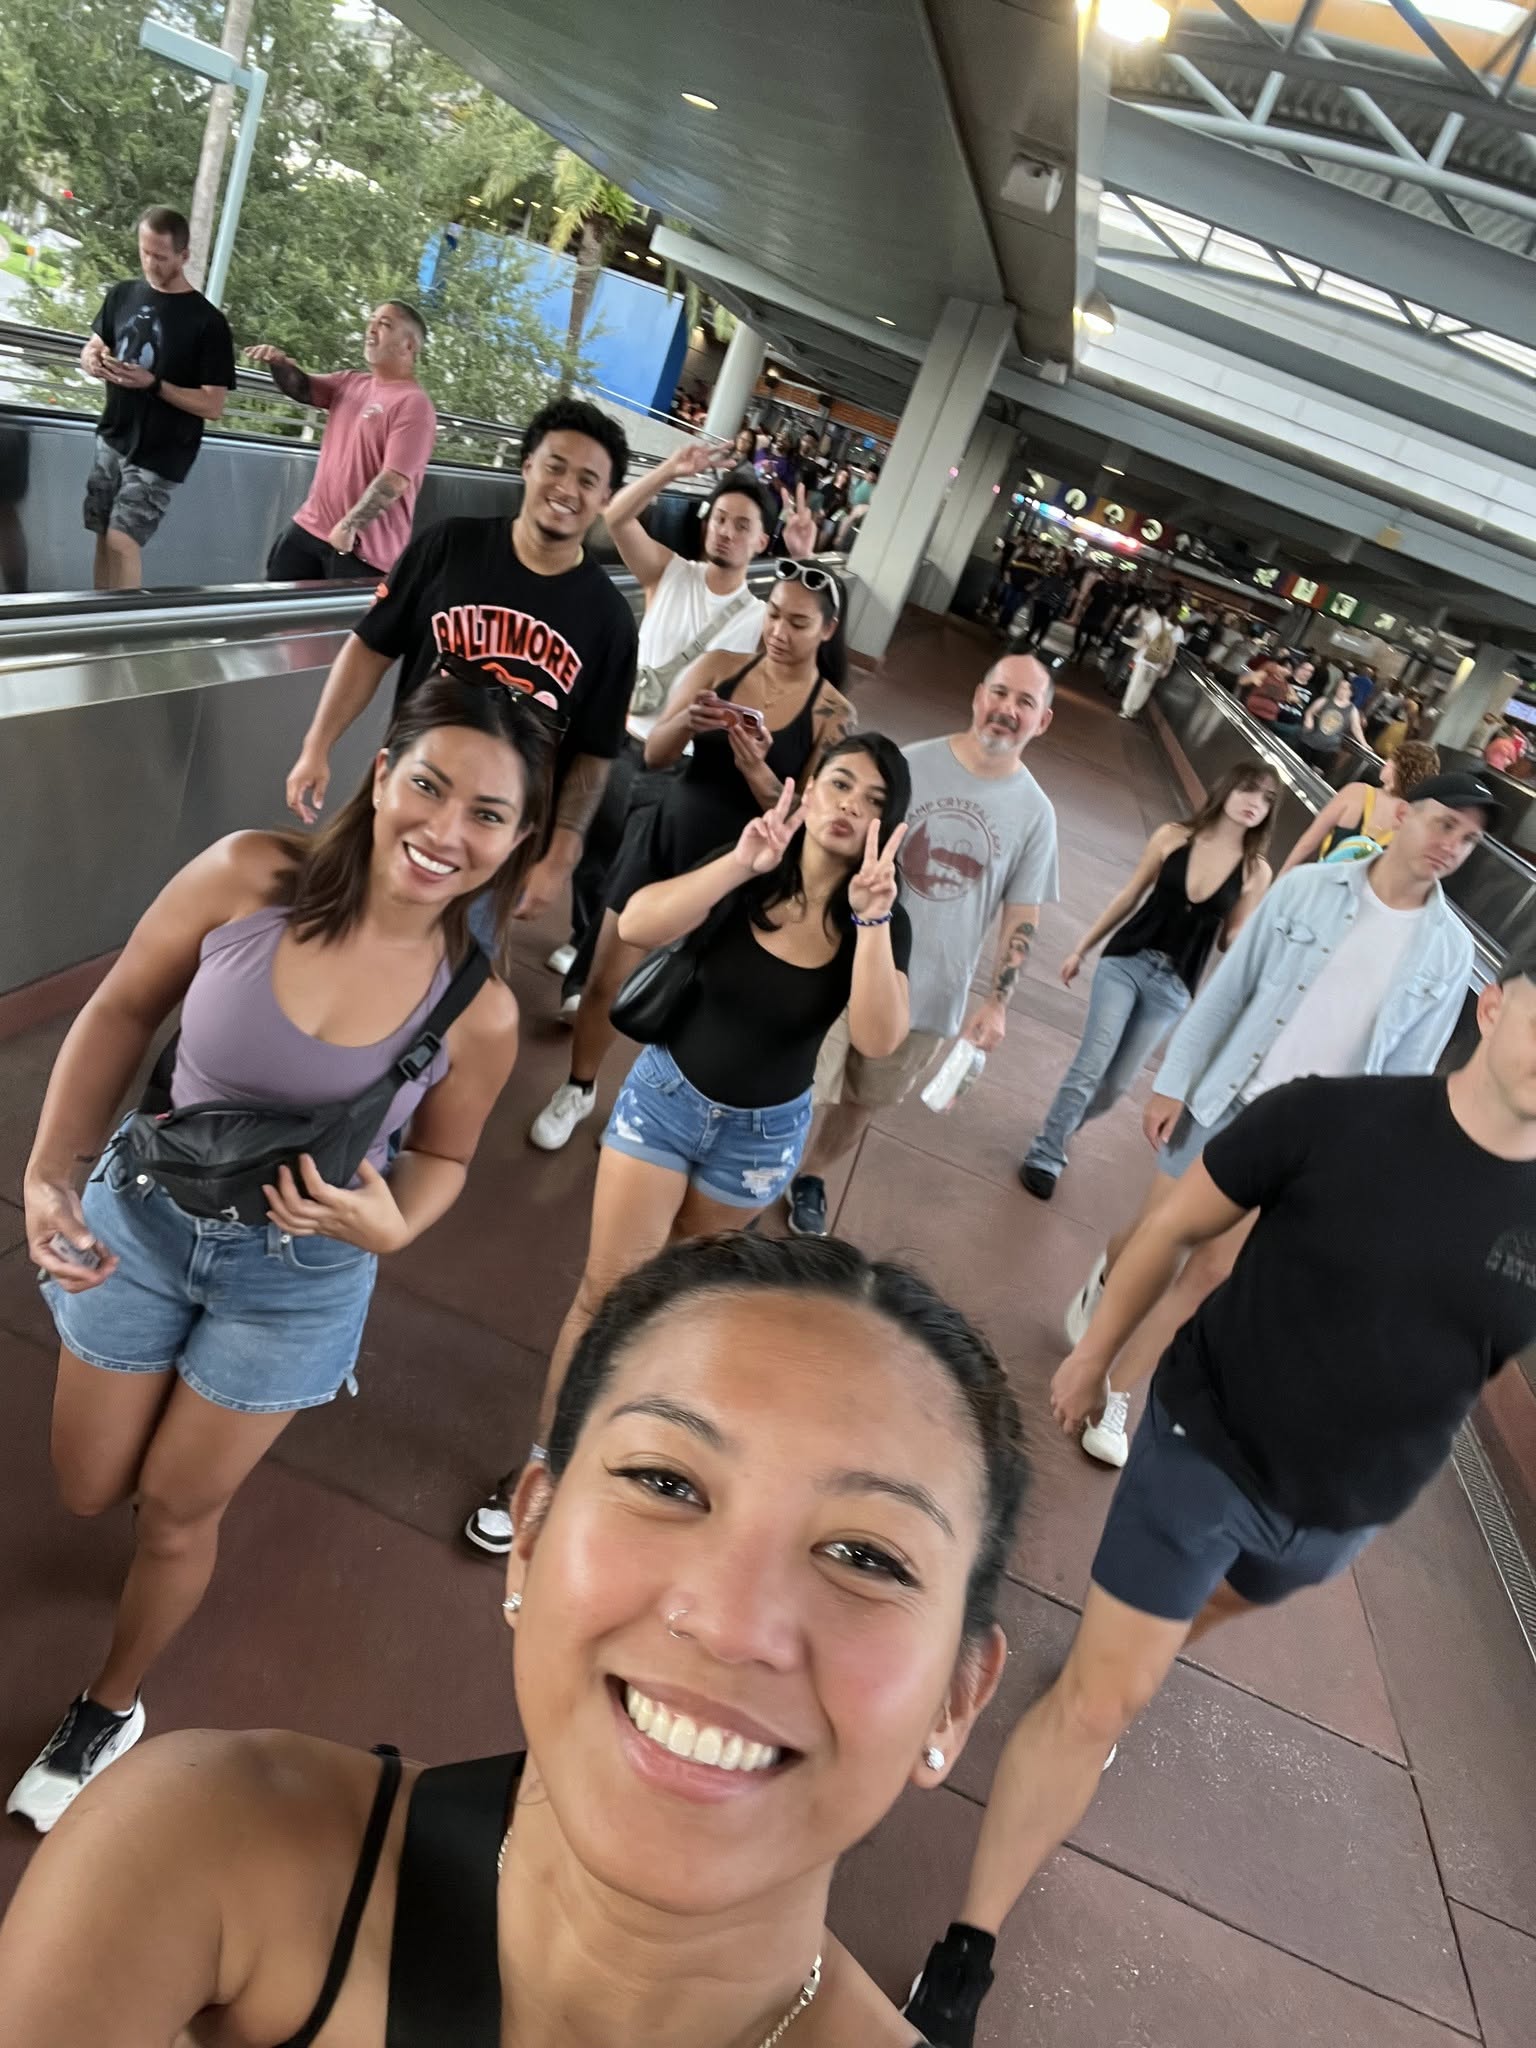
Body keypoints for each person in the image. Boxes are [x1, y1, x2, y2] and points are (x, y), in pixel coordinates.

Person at [0, 1234, 1028, 2048]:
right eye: (667, 1482)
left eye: (865, 1554)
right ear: (529, 1537)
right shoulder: (202, 1848)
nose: (731, 1622)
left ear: (957, 1698)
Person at [905, 953, 1536, 2048]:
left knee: (1207, 1617)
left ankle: (1134, 1646)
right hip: (1210, 1442)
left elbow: (1469, 1357)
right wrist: (1096, 1353)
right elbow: (1170, 1228)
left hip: (1345, 1509)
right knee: (1106, 1703)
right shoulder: (1335, 1120)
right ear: (1492, 1005)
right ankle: (965, 1953)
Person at [6, 673, 552, 1834]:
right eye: (429, 785)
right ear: (381, 774)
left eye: (489, 814)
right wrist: (50, 1171)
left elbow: (446, 1161)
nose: (447, 830)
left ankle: (109, 1702)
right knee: (90, 1484)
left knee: (174, 1512)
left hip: (293, 1283)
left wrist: (394, 1222)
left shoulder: (481, 1014)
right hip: (142, 1219)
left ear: (518, 842)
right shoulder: (248, 876)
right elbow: (117, 1010)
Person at [467, 737, 911, 1551]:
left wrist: (875, 917)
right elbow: (638, 920)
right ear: (806, 792)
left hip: (759, 1137)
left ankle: (624, 1465)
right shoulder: (747, 864)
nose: (850, 805)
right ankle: (546, 1468)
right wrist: (740, 864)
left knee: (674, 1302)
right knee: (606, 1293)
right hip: (667, 1102)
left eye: (873, 799)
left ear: (890, 824)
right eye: (839, 784)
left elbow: (881, 1037)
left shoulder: (877, 919)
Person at [1056, 772, 1491, 1469]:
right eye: (1445, 825)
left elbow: (1409, 1074)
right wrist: (1174, 1083)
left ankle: (1115, 1390)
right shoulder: (1310, 889)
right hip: (1230, 1098)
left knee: (1208, 1275)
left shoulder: (1448, 950)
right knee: (1154, 1238)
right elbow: (1231, 991)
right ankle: (1103, 1300)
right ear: (1404, 813)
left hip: (1313, 1142)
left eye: (1469, 840)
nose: (1453, 846)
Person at [283, 396, 638, 941]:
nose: (567, 489)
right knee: (326, 923)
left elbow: (594, 750)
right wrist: (317, 745)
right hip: (407, 785)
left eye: (588, 480)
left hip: (495, 833)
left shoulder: (609, 620)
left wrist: (561, 854)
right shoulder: (449, 546)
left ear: (605, 497)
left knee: (446, 973)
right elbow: (370, 648)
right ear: (527, 467)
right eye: (555, 467)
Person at [529, 561, 853, 1154]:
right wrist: (687, 719)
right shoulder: (721, 667)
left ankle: (647, 1107)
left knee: (693, 1000)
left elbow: (800, 820)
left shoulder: (833, 717)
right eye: (774, 615)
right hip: (671, 833)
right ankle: (578, 1087)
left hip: (743, 865)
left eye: (799, 623)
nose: (779, 631)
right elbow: (653, 754)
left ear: (827, 631)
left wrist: (756, 767)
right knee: (605, 977)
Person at [786, 655, 1060, 1239]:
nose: (1008, 710)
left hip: (930, 992)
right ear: (976, 694)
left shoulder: (1037, 815)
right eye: (1000, 693)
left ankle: (809, 1175)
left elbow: (1022, 911)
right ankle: (761, 1173)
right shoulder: (910, 765)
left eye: (1026, 703)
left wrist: (999, 1000)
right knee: (802, 1088)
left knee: (864, 1098)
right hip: (848, 963)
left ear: (1044, 721)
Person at [546, 443, 815, 1012]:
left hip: (678, 759)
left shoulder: (757, 617)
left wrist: (807, 560)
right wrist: (671, 470)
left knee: (624, 869)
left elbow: (804, 637)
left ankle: (581, 984)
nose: (726, 532)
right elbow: (614, 517)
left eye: (743, 526)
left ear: (762, 542)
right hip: (614, 740)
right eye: (720, 519)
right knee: (591, 850)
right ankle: (581, 936)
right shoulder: (668, 573)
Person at [1018, 764, 1277, 1201]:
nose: (1256, 803)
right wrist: (1082, 947)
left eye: (1267, 798)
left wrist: (1260, 937)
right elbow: (1130, 894)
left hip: (1174, 987)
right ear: (1226, 789)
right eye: (1249, 790)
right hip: (1127, 961)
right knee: (1091, 1063)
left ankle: (1061, 1129)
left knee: (1116, 1085)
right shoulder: (1173, 836)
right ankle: (1046, 1154)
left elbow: (1233, 939)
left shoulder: (1256, 871)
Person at [78, 205, 236, 590]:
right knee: (101, 530)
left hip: (164, 448)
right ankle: (99, 620)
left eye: (160, 256)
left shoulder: (208, 324)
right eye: (144, 252)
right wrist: (92, 360)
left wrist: (154, 384)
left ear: (184, 256)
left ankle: (127, 632)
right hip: (115, 431)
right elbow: (94, 344)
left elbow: (213, 405)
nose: (150, 262)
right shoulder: (123, 294)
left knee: (122, 538)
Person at [248, 301, 438, 580]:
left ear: (408, 346)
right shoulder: (351, 383)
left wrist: (350, 525)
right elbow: (302, 388)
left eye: (384, 325)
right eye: (371, 321)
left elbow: (395, 480)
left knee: (336, 624)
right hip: (310, 526)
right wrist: (279, 364)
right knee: (269, 613)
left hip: (359, 550)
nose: (371, 329)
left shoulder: (414, 404)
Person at [1279, 740, 1440, 872]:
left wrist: (1282, 877)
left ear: (1402, 769)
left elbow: (1308, 842)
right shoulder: (1414, 822)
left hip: (1321, 886)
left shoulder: (1356, 793)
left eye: (1393, 759)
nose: (1387, 763)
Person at [1118, 595, 1180, 718]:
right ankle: (1134, 710)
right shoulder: (1178, 630)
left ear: (1167, 611)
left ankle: (1126, 710)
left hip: (1144, 658)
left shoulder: (1157, 621)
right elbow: (1173, 651)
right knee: (1145, 688)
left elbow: (1143, 640)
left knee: (1134, 684)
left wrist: (1131, 646)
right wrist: (1167, 667)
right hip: (1158, 663)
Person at [1295, 669, 1367, 771]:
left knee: (1317, 772)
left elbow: (1356, 727)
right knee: (1299, 767)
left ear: (1351, 692)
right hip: (1309, 741)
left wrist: (1364, 743)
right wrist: (1309, 719)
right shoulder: (1325, 700)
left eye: (1344, 688)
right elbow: (1310, 711)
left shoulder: (1352, 710)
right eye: (1340, 687)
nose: (1341, 690)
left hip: (1328, 748)